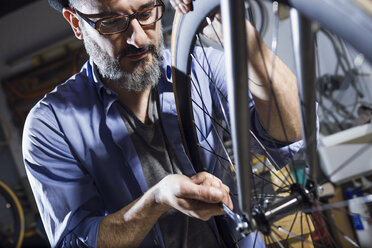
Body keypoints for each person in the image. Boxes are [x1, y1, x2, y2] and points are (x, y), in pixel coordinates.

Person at [22, 0, 303, 247]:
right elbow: (74, 243)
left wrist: (242, 39)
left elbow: (291, 132)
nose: (139, 38)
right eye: (112, 23)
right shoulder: (50, 126)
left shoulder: (195, 66)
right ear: (76, 23)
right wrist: (156, 200)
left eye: (145, 12)